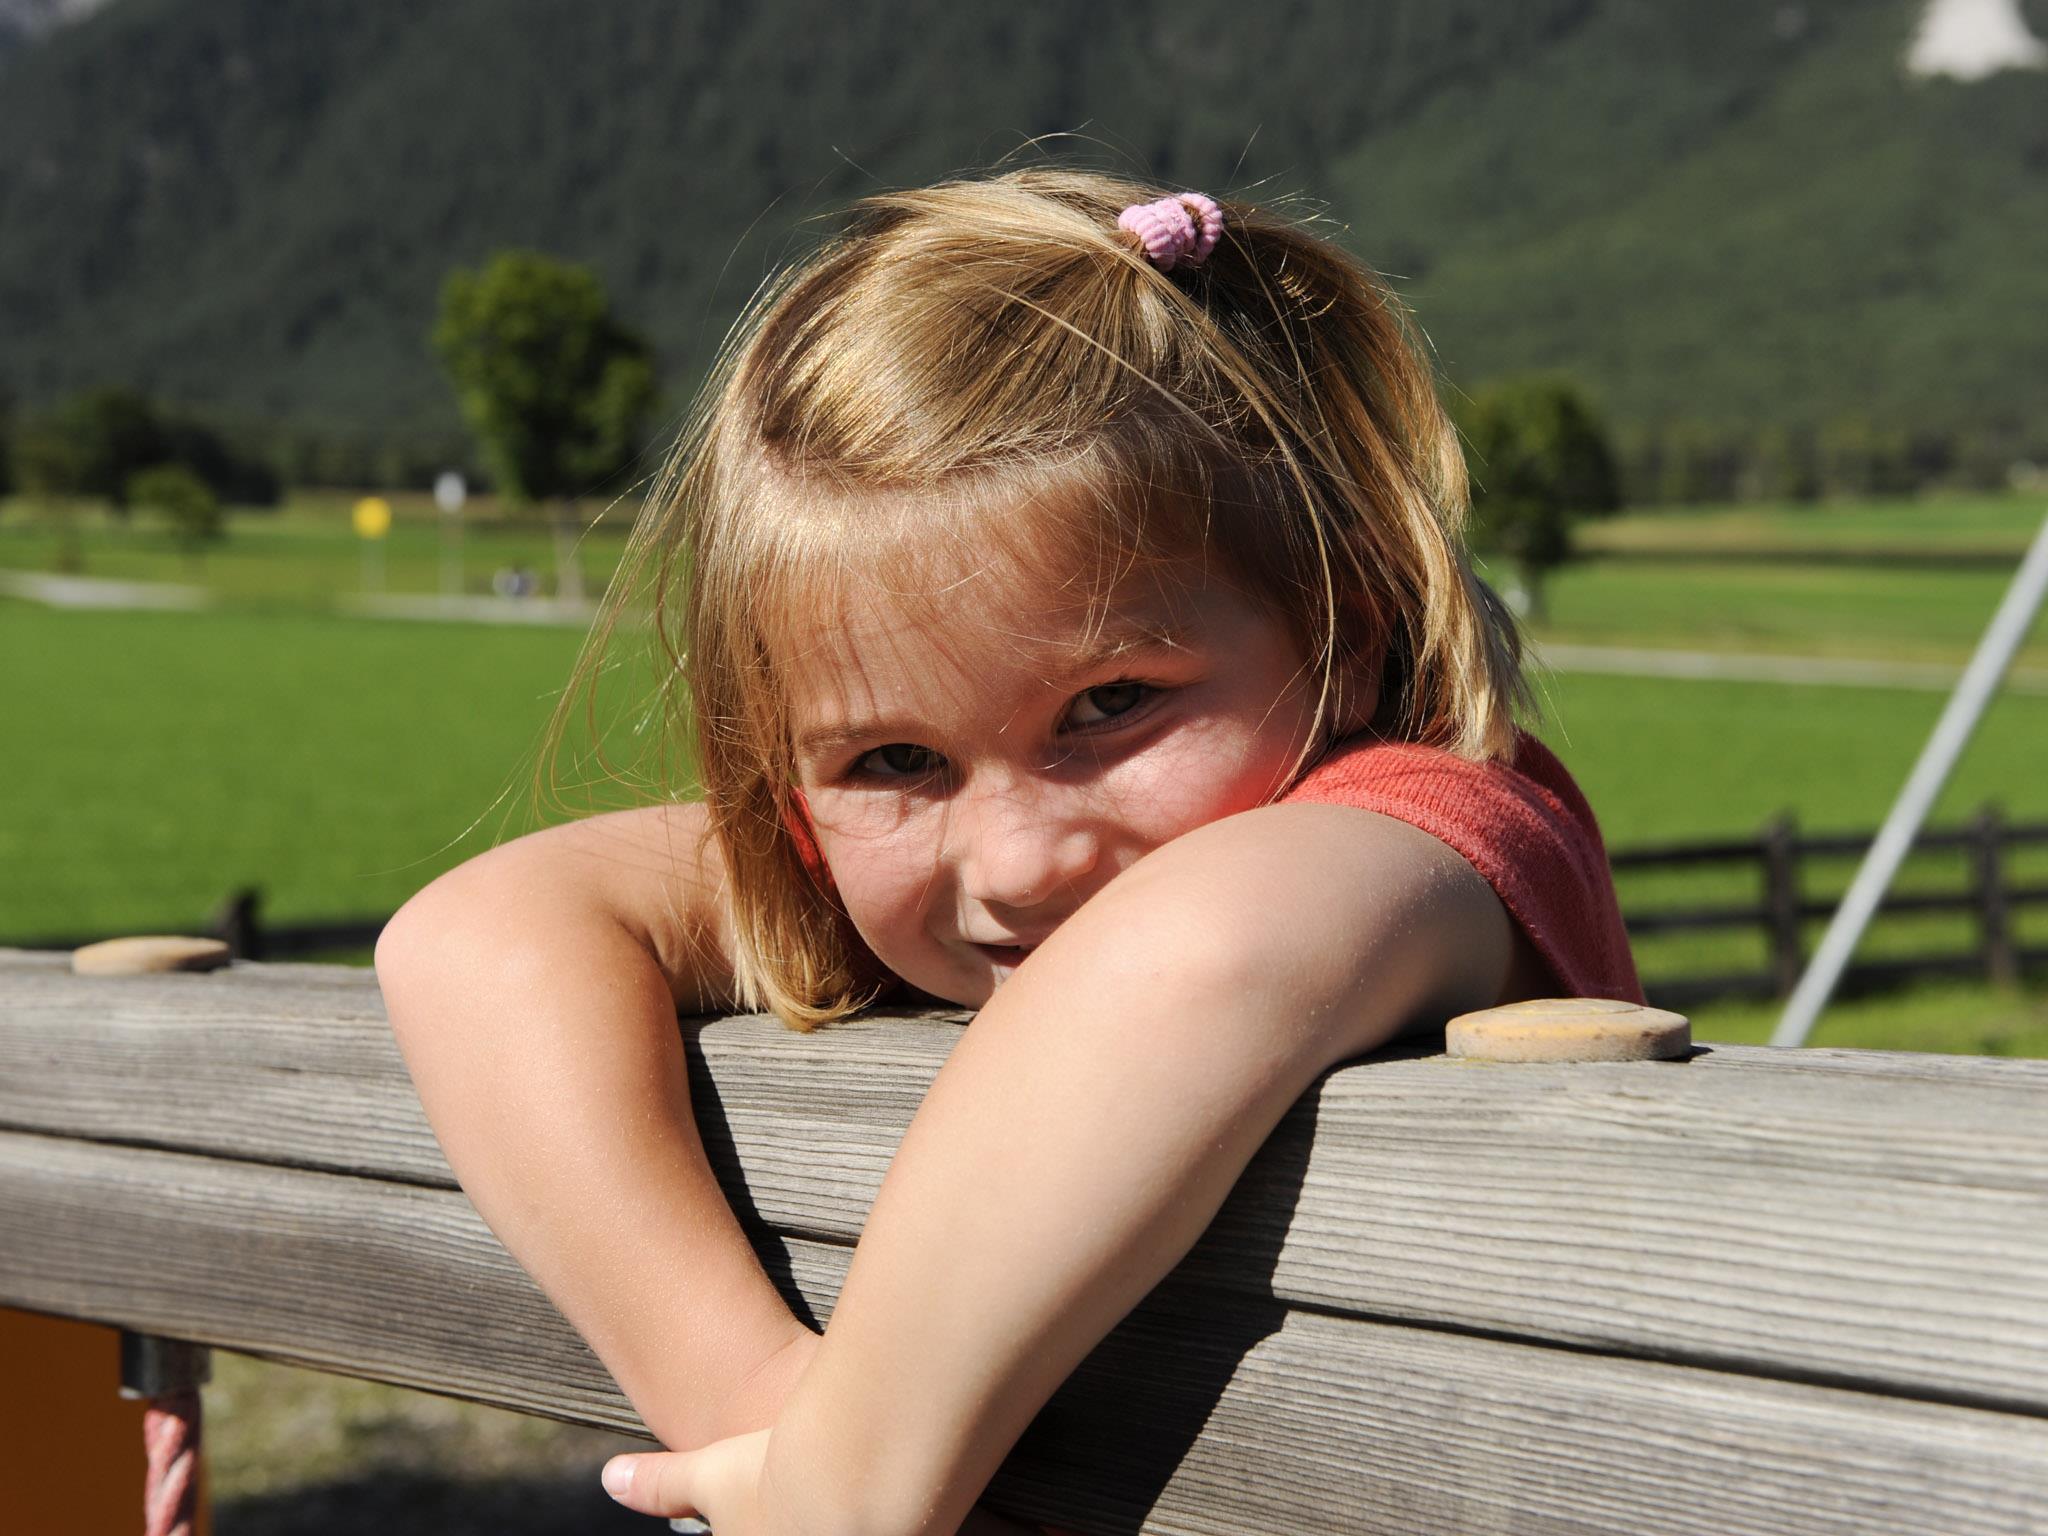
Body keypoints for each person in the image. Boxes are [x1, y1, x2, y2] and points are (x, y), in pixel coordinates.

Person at [375, 168, 1642, 1535]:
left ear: (1351, 634)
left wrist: (851, 1488)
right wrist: (767, 1411)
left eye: (1111, 706)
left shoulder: (1440, 828)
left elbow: (1199, 952)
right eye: (894, 761)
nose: (1021, 858)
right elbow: (469, 942)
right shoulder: (900, 864)